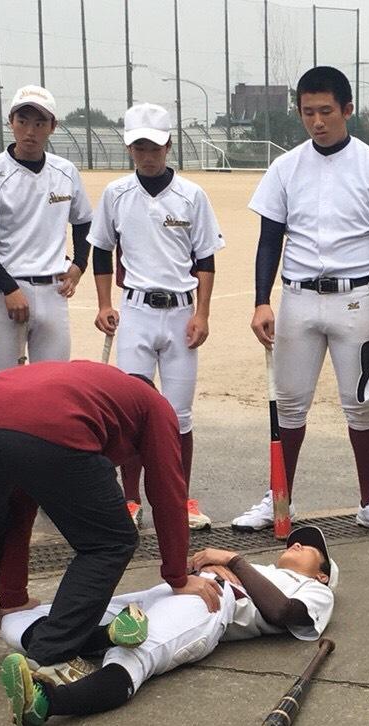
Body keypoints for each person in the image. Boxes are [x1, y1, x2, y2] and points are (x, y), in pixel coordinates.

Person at [0, 360, 219, 670]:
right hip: (51, 427)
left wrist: (13, 598)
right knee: (110, 541)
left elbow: (21, 510)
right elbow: (168, 490)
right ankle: (51, 653)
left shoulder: (95, 388)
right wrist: (178, 577)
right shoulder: (155, 405)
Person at [234, 65, 369, 536]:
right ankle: (278, 500)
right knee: (289, 405)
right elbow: (269, 240)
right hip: (297, 298)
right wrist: (260, 301)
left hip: (356, 301)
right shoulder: (286, 167)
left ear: (347, 109)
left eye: (326, 111)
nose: (317, 121)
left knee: (362, 405)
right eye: (308, 112)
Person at [0, 526, 337, 726]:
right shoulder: (262, 568)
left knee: (131, 656)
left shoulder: (317, 591)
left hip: (213, 605)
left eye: (309, 547)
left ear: (323, 574)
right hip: (174, 590)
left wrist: (233, 561)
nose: (297, 544)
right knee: (21, 619)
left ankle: (44, 704)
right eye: (295, 541)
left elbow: (281, 612)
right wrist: (205, 563)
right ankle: (105, 635)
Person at [89, 102, 224, 533]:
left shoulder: (192, 195)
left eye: (154, 145)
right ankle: (130, 500)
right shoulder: (115, 194)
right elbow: (101, 251)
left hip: (181, 312)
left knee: (179, 415)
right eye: (139, 146)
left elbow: (205, 259)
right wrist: (104, 304)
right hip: (135, 312)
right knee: (130, 414)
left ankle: (178, 497)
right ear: (131, 148)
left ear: (168, 144)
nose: (147, 154)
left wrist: (202, 314)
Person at [0, 85, 93, 375]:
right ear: (11, 122)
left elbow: (83, 221)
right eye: (22, 121)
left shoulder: (65, 171)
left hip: (54, 291)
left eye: (39, 123)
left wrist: (80, 265)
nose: (30, 131)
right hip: (7, 290)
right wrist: (9, 288)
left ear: (52, 127)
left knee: (54, 385)